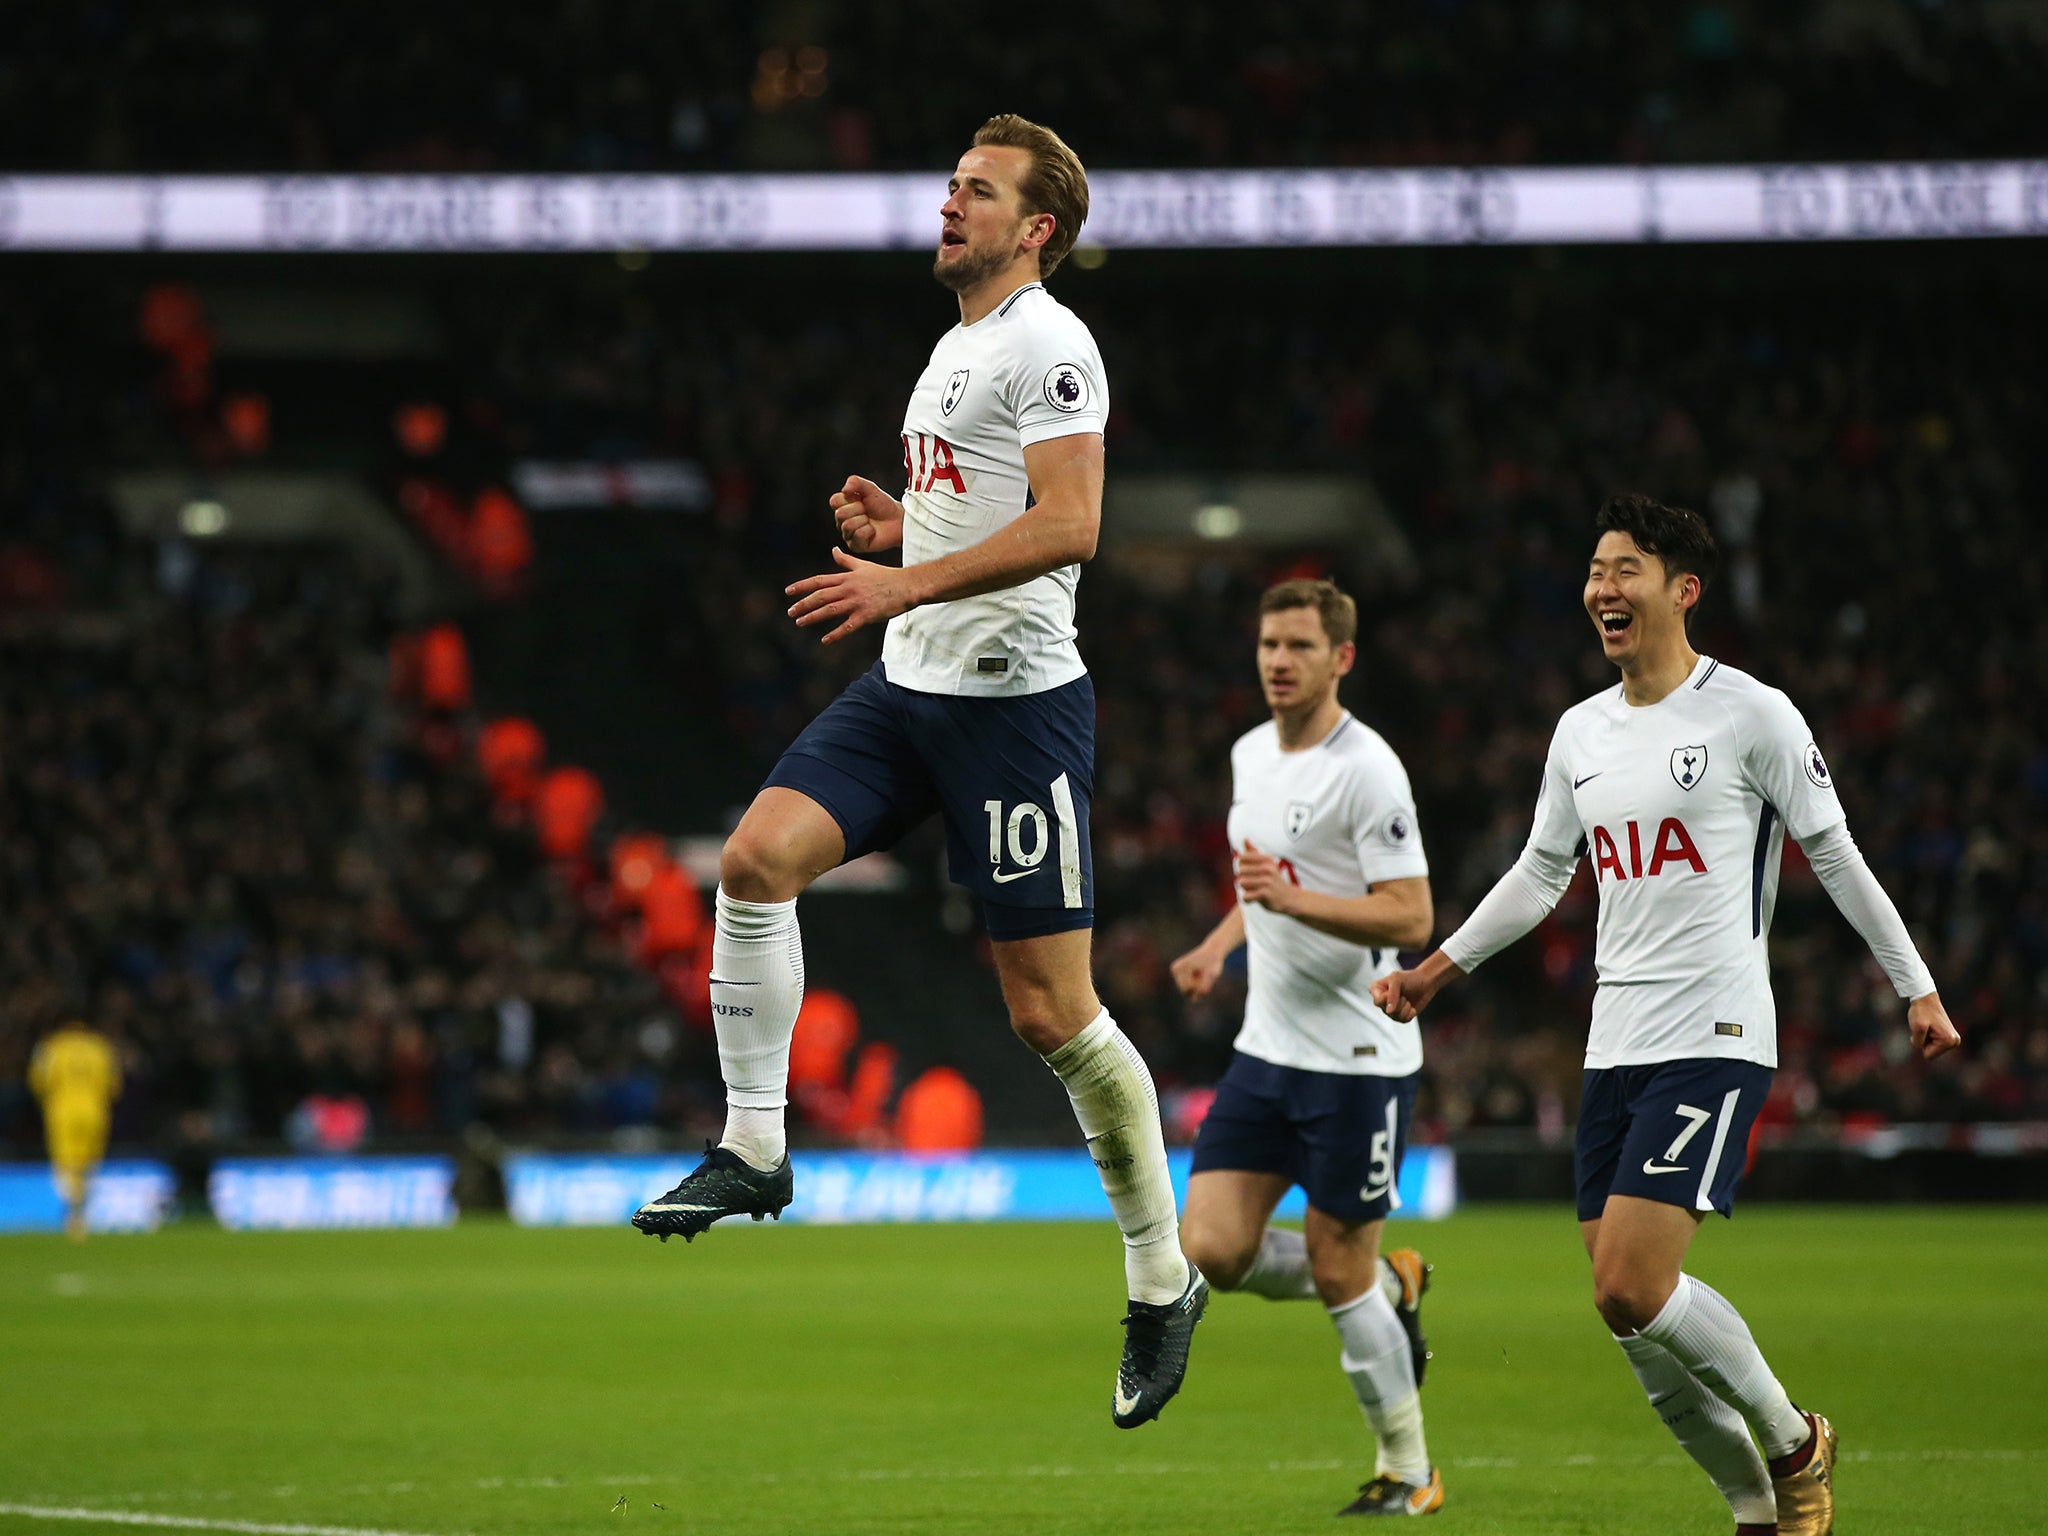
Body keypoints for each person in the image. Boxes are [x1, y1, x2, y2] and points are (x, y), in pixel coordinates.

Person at [633, 113, 1206, 1428]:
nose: (951, 204)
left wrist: (901, 573)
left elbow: (1073, 526)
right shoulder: (955, 348)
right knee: (754, 860)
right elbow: (993, 511)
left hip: (1013, 713)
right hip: (911, 688)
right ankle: (758, 1145)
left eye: (980, 191)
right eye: (951, 183)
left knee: (1052, 1019)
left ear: (1038, 229)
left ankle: (1159, 1278)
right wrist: (908, 525)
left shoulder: (1055, 344)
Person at [1373, 494, 1962, 1535]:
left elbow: (1831, 851)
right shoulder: (1579, 732)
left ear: (1681, 590)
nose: (1602, 587)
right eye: (1594, 569)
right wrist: (1436, 971)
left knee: (1636, 1281)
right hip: (1616, 1043)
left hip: (1715, 1033)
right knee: (1619, 1308)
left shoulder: (1751, 714)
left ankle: (1791, 1442)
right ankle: (1752, 1512)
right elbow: (1538, 872)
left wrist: (1911, 982)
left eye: (1625, 569)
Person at [1170, 578, 1444, 1518]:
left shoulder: (1368, 769)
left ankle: (1409, 1469)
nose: (1278, 662)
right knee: (1208, 1247)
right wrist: (1218, 945)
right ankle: (1388, 1280)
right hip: (1268, 1048)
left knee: (1335, 1271)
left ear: (1341, 659)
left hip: (1359, 1061)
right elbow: (1262, 883)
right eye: (1268, 645)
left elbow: (1411, 913)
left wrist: (1294, 903)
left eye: (1298, 646)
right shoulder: (1251, 754)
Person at [28, 1019, 122, 1241]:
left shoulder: (51, 1046)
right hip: (94, 1110)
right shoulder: (100, 1047)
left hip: (62, 1110)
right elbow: (114, 1086)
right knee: (88, 1163)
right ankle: (82, 1214)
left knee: (66, 1162)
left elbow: (38, 1082)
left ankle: (73, 1214)